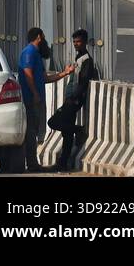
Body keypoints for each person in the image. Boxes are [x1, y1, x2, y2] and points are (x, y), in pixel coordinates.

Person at [17, 27, 67, 173]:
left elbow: (44, 78)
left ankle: (33, 162)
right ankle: (32, 164)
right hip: (30, 99)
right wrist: (35, 94)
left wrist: (64, 73)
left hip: (35, 99)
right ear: (39, 37)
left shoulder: (36, 55)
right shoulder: (29, 52)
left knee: (34, 131)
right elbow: (27, 72)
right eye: (43, 37)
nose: (45, 41)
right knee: (31, 132)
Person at [53, 29, 98, 172]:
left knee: (53, 122)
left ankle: (79, 130)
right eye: (74, 42)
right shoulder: (78, 58)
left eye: (78, 42)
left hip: (74, 101)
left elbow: (83, 83)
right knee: (66, 134)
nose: (75, 44)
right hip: (70, 99)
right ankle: (63, 162)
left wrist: (72, 99)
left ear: (84, 42)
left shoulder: (87, 60)